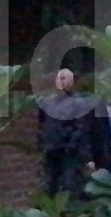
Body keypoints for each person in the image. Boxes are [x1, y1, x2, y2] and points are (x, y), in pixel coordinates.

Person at [36, 67, 102, 199]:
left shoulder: (79, 103)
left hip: (70, 154)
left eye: (64, 78)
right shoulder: (46, 103)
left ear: (71, 82)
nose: (60, 82)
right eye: (59, 78)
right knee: (49, 185)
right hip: (51, 151)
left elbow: (82, 128)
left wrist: (72, 146)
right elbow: (42, 124)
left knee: (70, 186)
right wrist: (43, 143)